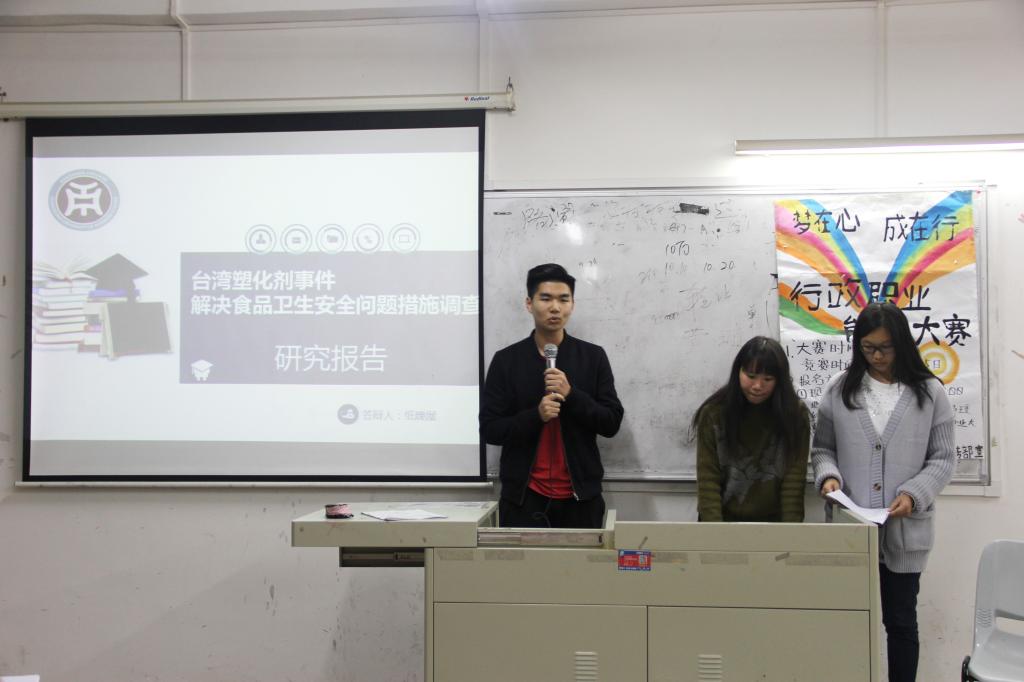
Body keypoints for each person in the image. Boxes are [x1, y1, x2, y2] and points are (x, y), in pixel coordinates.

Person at [812, 302, 955, 682]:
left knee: (901, 623)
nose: (876, 356)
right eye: (868, 348)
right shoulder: (839, 389)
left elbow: (943, 459)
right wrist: (828, 478)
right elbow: (822, 449)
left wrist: (913, 494)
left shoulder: (930, 392)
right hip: (851, 530)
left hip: (905, 533)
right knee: (849, 622)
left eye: (885, 348)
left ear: (902, 344)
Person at [481, 263, 624, 528]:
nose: (555, 307)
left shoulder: (592, 357)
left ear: (572, 305)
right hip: (523, 499)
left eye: (563, 299)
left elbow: (611, 422)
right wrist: (536, 416)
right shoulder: (507, 361)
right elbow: (490, 429)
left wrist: (572, 394)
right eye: (545, 298)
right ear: (529, 303)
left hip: (581, 499)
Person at [692, 336, 810, 523]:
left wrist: (790, 533)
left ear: (780, 380)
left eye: (768, 379)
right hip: (722, 520)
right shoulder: (714, 413)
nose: (757, 386)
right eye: (751, 376)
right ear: (738, 371)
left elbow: (793, 482)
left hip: (773, 523)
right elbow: (708, 482)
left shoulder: (795, 415)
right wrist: (715, 533)